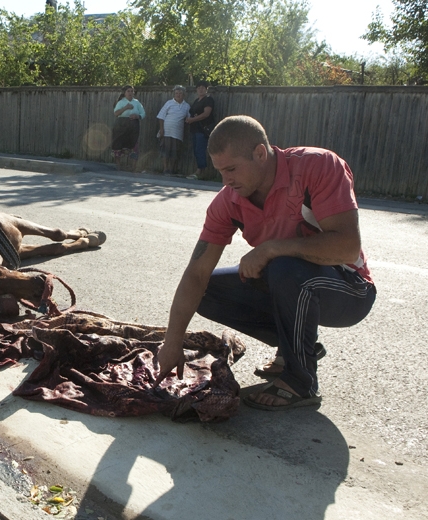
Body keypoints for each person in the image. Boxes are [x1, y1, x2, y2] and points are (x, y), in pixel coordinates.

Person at [154, 115, 376, 411]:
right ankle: (295, 347)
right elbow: (196, 273)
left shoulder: (318, 166)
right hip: (291, 281)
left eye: (231, 169)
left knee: (284, 266)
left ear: (260, 153)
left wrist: (271, 249)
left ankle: (301, 381)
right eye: (220, 171)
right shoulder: (227, 201)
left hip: (350, 289)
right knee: (207, 290)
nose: (226, 181)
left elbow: (348, 248)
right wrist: (172, 342)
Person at [156, 85, 190, 175]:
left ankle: (171, 170)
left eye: (180, 93)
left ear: (184, 95)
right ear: (174, 94)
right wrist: (161, 129)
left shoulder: (186, 106)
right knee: (165, 151)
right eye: (176, 93)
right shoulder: (169, 103)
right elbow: (161, 116)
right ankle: (165, 169)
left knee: (174, 152)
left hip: (177, 133)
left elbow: (189, 118)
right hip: (167, 130)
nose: (178, 95)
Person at [185, 80, 215, 180]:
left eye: (203, 87)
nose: (200, 89)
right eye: (199, 88)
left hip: (203, 129)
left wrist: (192, 119)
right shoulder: (196, 101)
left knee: (200, 150)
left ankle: (201, 171)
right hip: (194, 129)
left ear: (206, 89)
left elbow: (206, 114)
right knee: (195, 150)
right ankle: (199, 170)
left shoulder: (208, 100)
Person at [111, 85, 146, 162]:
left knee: (133, 144)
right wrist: (125, 107)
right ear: (124, 93)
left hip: (133, 125)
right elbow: (116, 113)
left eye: (132, 91)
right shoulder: (121, 102)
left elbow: (143, 113)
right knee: (118, 144)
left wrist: (138, 116)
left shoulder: (137, 102)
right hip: (121, 125)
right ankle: (118, 166)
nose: (130, 93)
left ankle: (132, 167)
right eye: (128, 91)